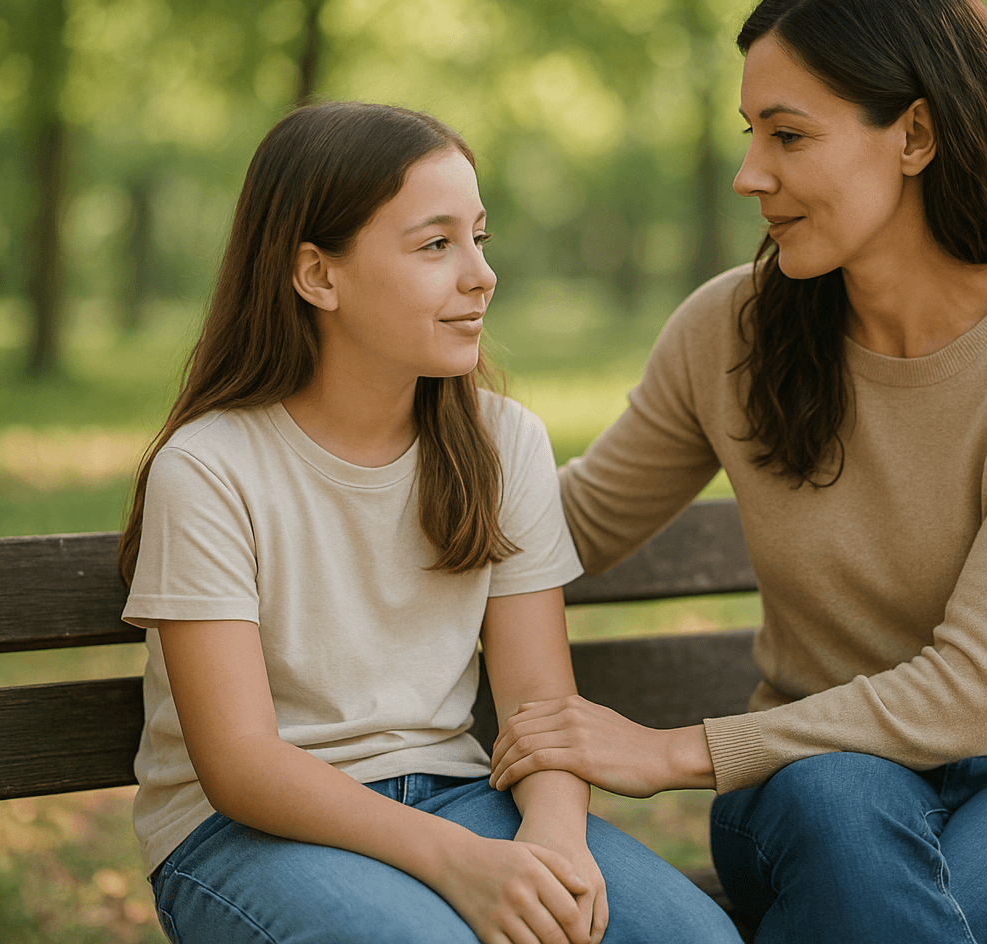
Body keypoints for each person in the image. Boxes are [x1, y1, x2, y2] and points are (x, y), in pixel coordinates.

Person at [489, 0, 987, 944]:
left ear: (915, 134)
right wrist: (330, 490)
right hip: (812, 790)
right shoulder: (730, 330)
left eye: (788, 136)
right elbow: (569, 524)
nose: (749, 174)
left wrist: (676, 750)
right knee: (837, 809)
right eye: (751, 136)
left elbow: (967, 694)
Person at [116, 101, 742, 944]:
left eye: (480, 238)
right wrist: (457, 863)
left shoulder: (501, 441)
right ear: (318, 276)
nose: (481, 274)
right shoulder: (210, 469)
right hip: (246, 834)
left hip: (458, 796)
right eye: (436, 244)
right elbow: (241, 766)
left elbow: (539, 705)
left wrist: (554, 845)